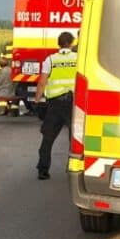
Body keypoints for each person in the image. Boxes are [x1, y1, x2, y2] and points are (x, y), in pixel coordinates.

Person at [34, 31, 78, 179]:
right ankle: (74, 170)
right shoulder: (78, 58)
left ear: (58, 43)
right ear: (71, 43)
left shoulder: (51, 60)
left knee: (48, 138)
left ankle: (43, 170)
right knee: (75, 139)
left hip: (55, 104)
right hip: (74, 104)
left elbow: (42, 82)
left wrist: (37, 99)